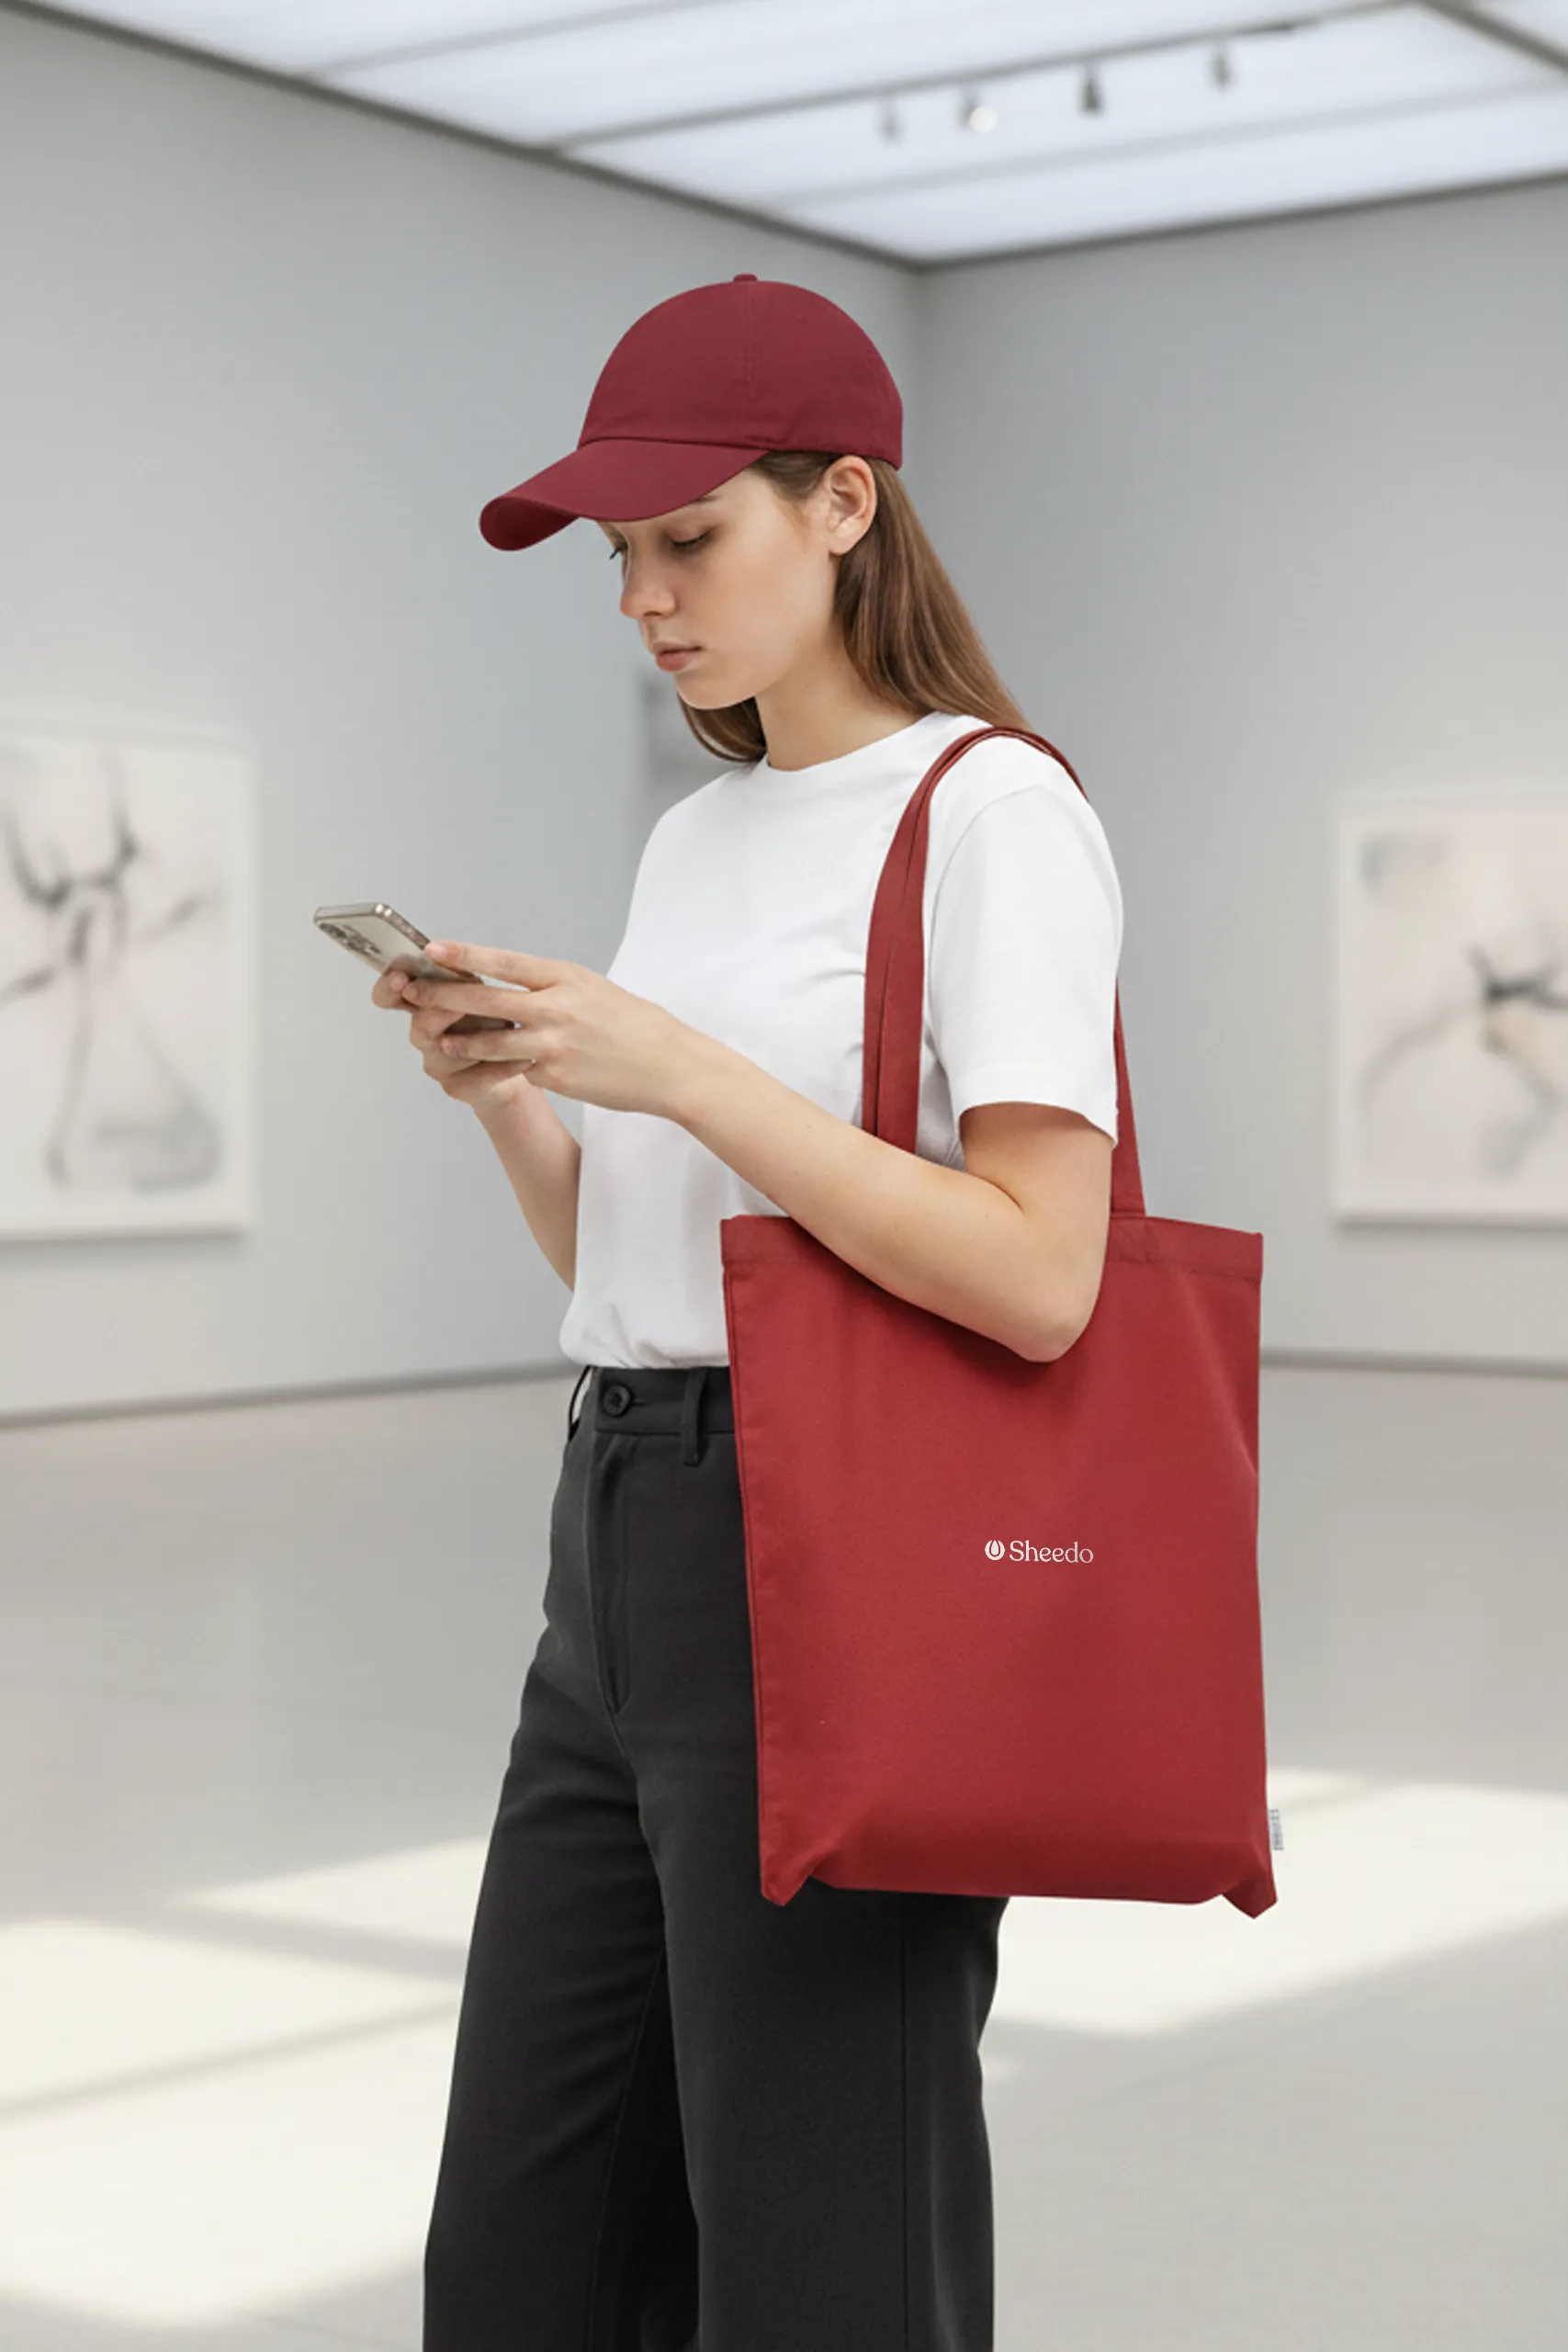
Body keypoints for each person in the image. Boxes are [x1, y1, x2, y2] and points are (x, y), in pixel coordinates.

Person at [373, 274, 1123, 2352]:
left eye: (686, 536)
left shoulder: (994, 813)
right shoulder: (701, 834)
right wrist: (520, 1095)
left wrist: (680, 1067)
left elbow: (1044, 1273)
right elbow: (638, 1276)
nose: (643, 596)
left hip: (834, 1557)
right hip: (614, 1539)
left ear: (846, 503)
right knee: (520, 2254)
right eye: (620, 556)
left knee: (820, 2260)